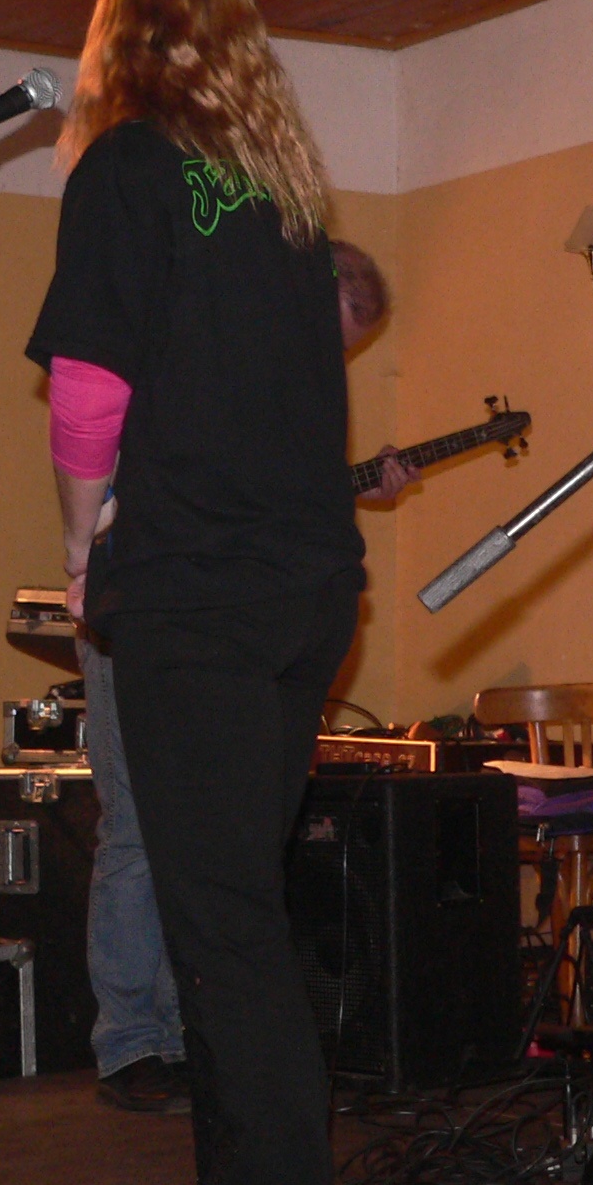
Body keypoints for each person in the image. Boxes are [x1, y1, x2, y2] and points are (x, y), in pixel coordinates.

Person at [31, 0, 369, 1185]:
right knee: (228, 918)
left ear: (118, 35)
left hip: (201, 596)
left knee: (223, 933)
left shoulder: (124, 166)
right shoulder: (282, 195)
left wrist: (80, 545)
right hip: (303, 595)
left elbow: (88, 392)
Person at [79, 241, 411, 1117]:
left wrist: (350, 495)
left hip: (212, 619)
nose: (322, 359)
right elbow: (116, 468)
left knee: (206, 842)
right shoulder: (185, 348)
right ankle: (130, 1043)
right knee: (138, 829)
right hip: (145, 609)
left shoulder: (271, 387)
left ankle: (191, 1039)